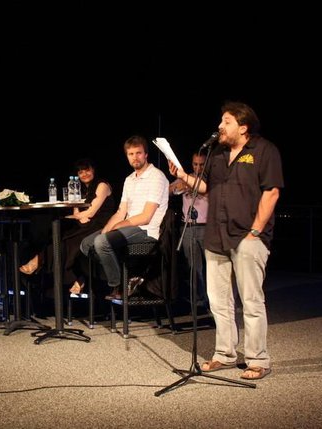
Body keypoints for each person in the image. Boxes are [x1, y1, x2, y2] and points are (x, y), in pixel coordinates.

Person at [168, 101, 283, 381]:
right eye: (221, 120)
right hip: (215, 235)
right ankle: (225, 354)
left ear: (243, 127)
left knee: (251, 300)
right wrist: (183, 175)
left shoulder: (264, 150)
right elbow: (205, 187)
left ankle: (258, 359)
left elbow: (272, 192)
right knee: (218, 300)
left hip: (247, 236)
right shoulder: (217, 154)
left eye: (227, 121)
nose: (220, 126)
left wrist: (255, 231)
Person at [80, 135, 169, 300]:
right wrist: (107, 229)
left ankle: (118, 285)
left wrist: (118, 227)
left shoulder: (156, 176)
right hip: (128, 228)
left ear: (146, 154)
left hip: (146, 231)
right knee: (87, 244)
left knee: (102, 242)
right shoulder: (129, 179)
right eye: (131, 154)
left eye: (138, 153)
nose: (135, 157)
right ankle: (125, 277)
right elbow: (121, 211)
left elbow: (146, 217)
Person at [19, 158, 116, 294]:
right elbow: (76, 209)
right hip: (86, 223)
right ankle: (75, 277)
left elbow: (92, 211)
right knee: (59, 235)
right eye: (81, 172)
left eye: (87, 170)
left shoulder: (102, 185)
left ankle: (39, 261)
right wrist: (78, 216)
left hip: (101, 224)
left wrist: (80, 216)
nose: (84, 174)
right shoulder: (80, 188)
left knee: (70, 241)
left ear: (93, 170)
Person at [169, 152, 209, 309]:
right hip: (189, 227)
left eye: (201, 164)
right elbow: (168, 191)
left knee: (212, 268)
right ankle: (198, 302)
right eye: (195, 164)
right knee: (193, 268)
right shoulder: (185, 177)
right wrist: (178, 187)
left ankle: (214, 302)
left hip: (207, 227)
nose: (198, 167)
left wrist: (195, 187)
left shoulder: (210, 179)